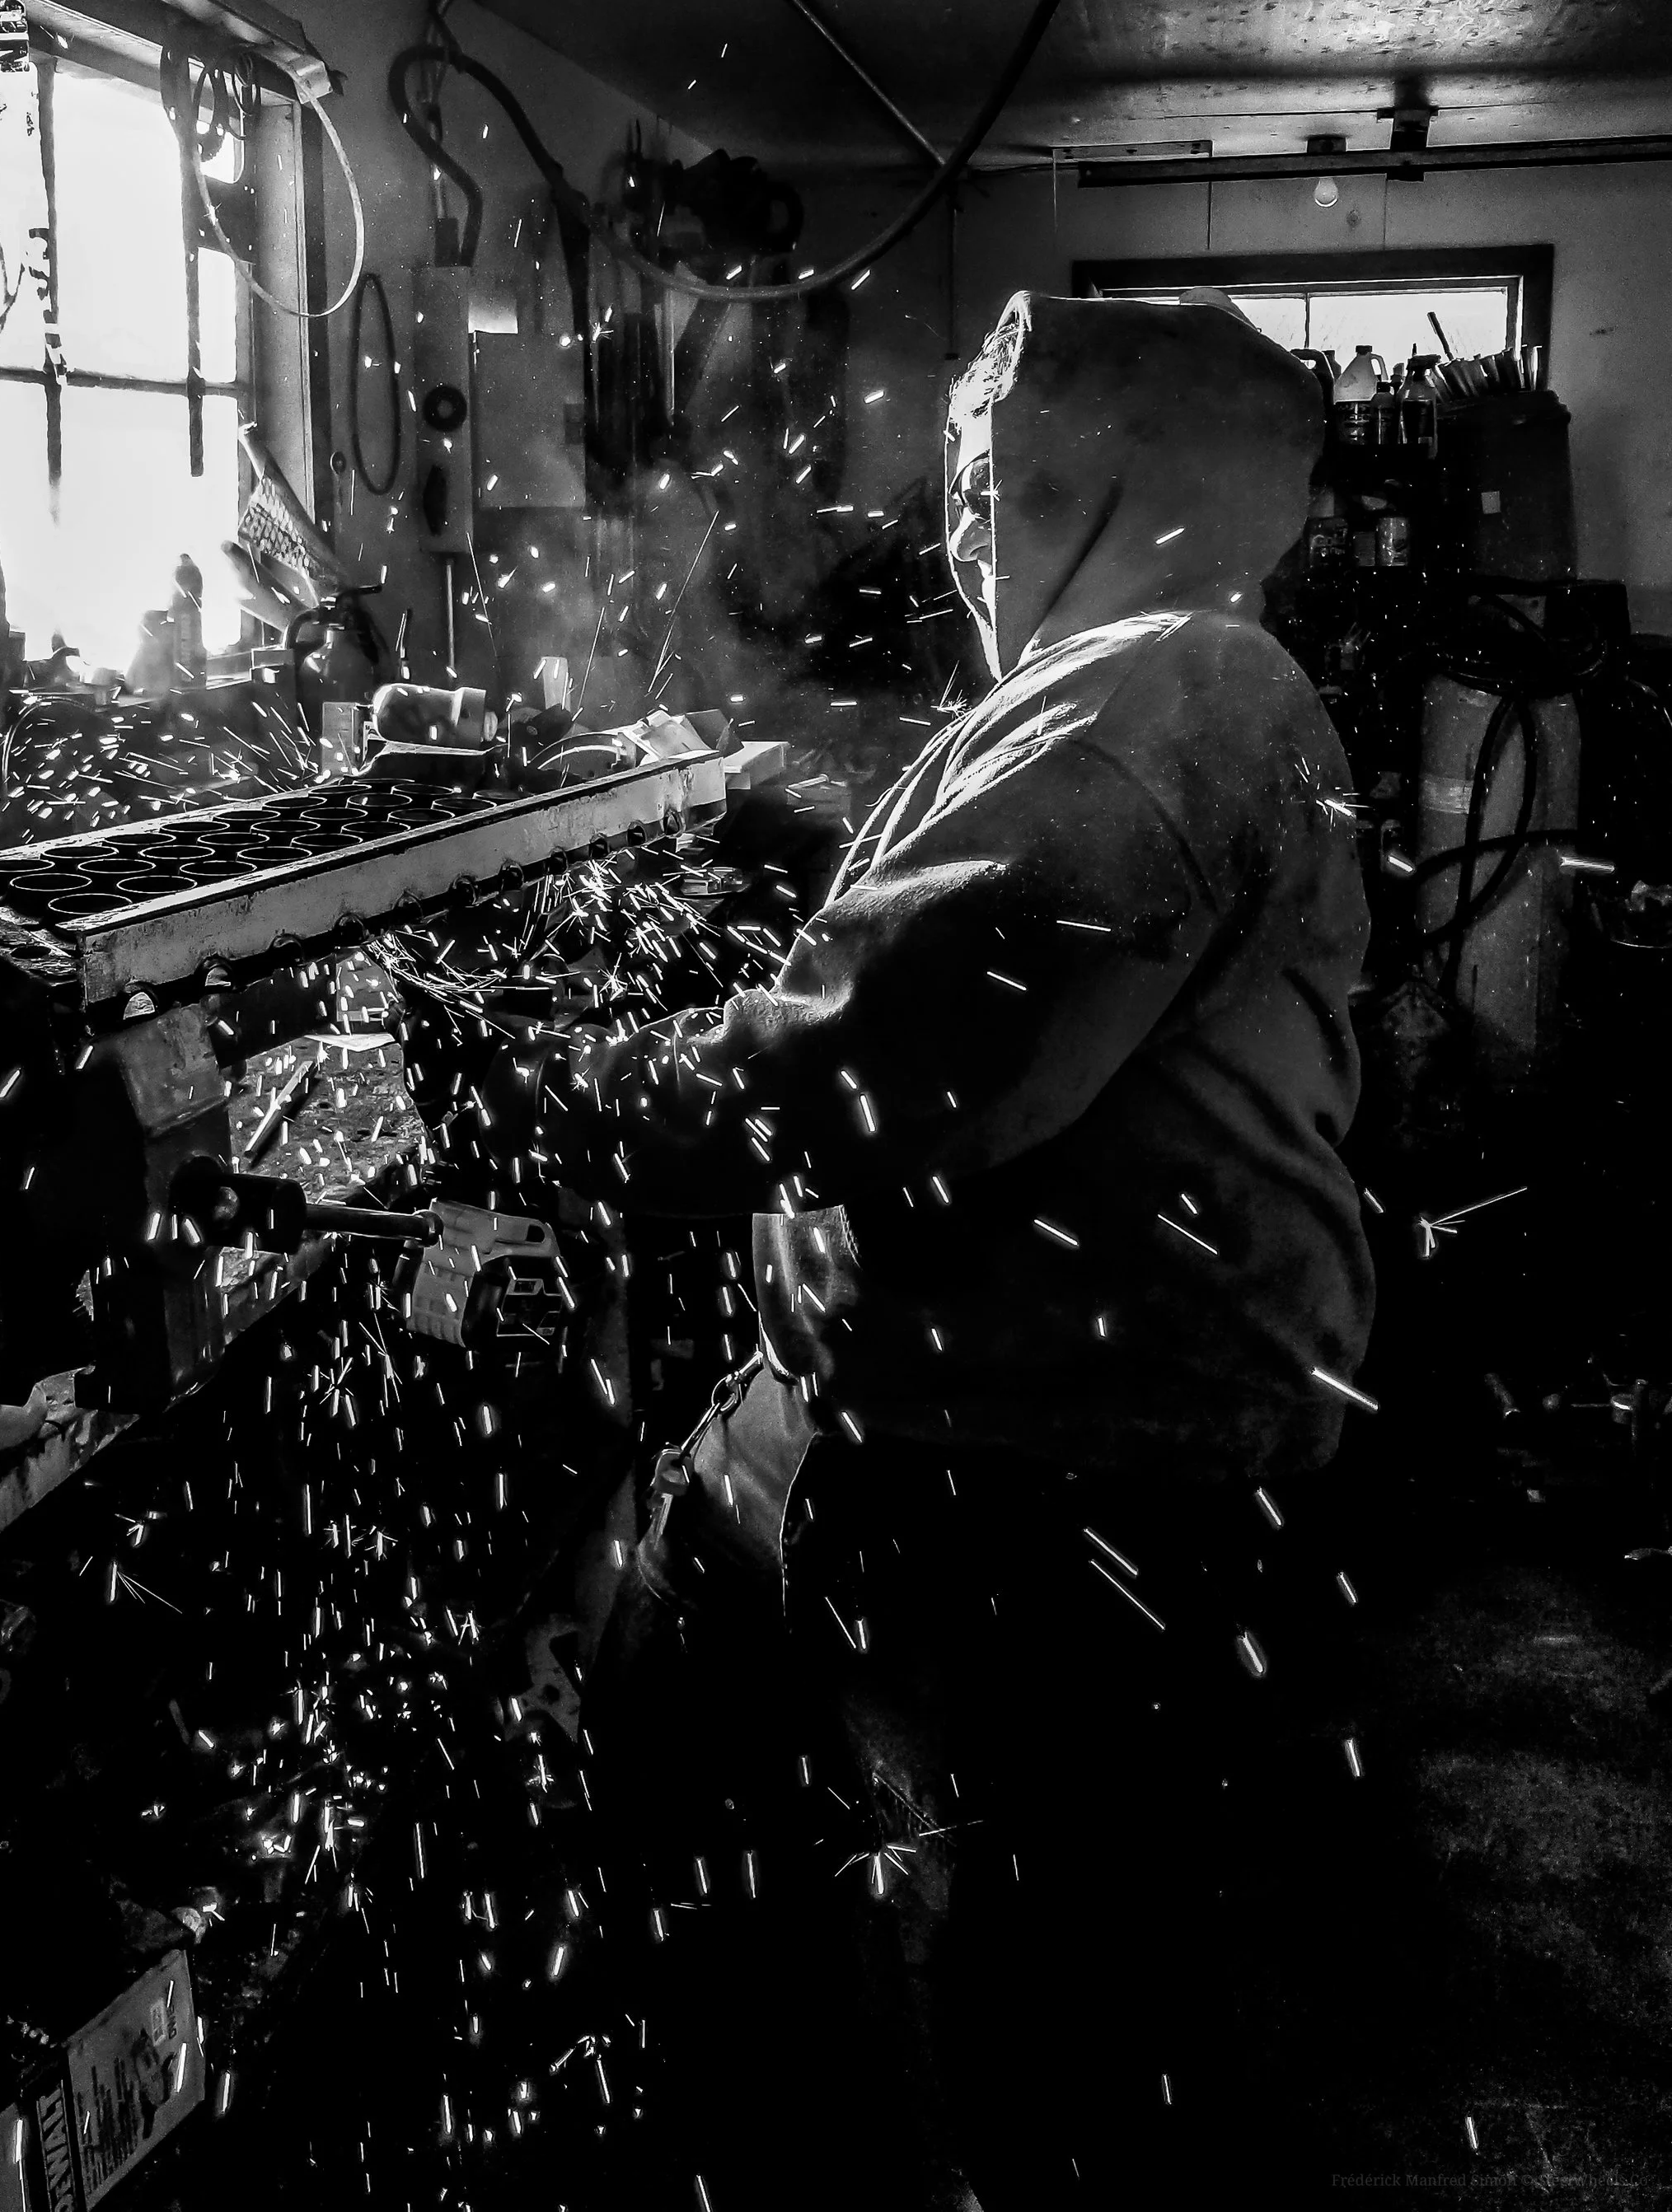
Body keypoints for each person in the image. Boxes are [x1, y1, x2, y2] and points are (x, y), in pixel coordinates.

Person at [416, 289, 1375, 2200]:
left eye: (983, 490)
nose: (952, 535)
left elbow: (859, 1077)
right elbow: (969, 876)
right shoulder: (1167, 678)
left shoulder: (1154, 706)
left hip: (1053, 1499)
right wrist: (751, 799)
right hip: (1065, 1441)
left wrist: (514, 1087)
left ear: (1090, 489)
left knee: (999, 2032)